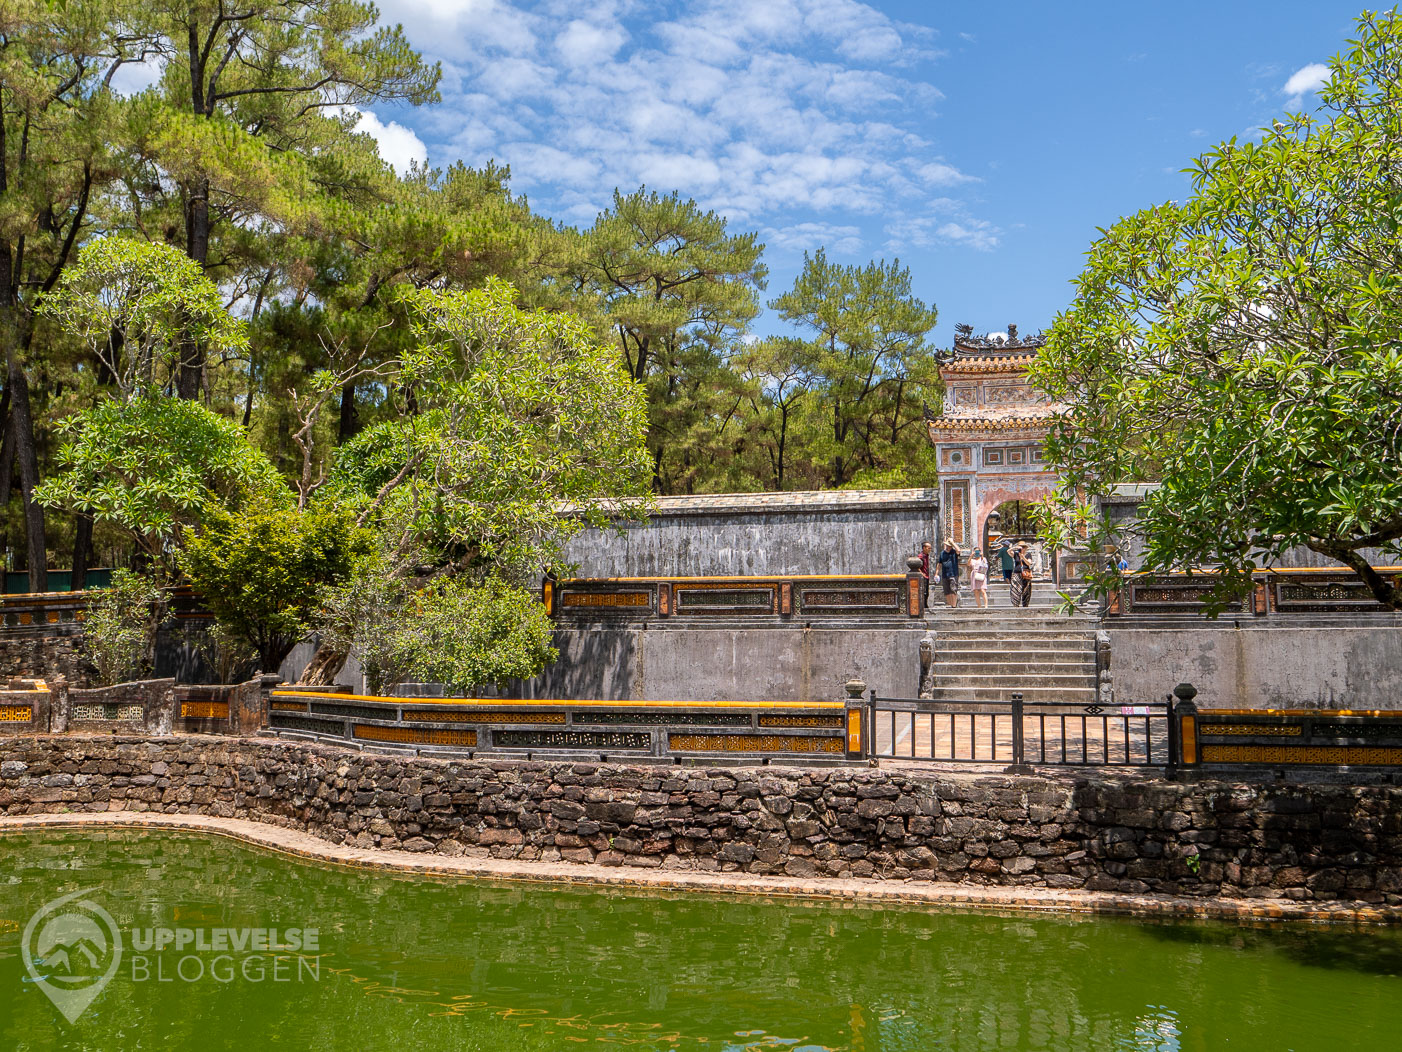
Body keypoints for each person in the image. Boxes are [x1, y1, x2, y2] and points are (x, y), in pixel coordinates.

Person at [937, 540, 961, 608]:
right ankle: (950, 604)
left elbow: (959, 550)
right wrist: (936, 573)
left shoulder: (954, 552)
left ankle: (954, 605)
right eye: (947, 545)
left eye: (950, 546)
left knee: (953, 590)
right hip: (945, 574)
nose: (948, 547)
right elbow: (939, 563)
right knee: (946, 591)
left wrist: (953, 543)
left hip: (953, 573)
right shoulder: (942, 553)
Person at [1010, 542, 1033, 608]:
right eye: (1020, 546)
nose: (1021, 548)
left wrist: (1023, 557)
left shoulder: (1028, 554)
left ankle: (1025, 605)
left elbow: (1029, 563)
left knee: (1026, 590)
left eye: (1023, 547)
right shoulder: (1016, 554)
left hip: (1025, 575)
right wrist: (1014, 548)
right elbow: (1008, 551)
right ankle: (1015, 604)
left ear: (1025, 548)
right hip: (1016, 574)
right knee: (1015, 589)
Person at [918, 541, 932, 611]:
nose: (930, 550)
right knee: (924, 592)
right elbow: (917, 566)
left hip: (926, 576)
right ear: (924, 548)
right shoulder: (921, 556)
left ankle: (925, 605)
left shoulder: (926, 556)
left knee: (926, 592)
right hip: (923, 576)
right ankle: (923, 606)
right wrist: (922, 574)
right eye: (928, 548)